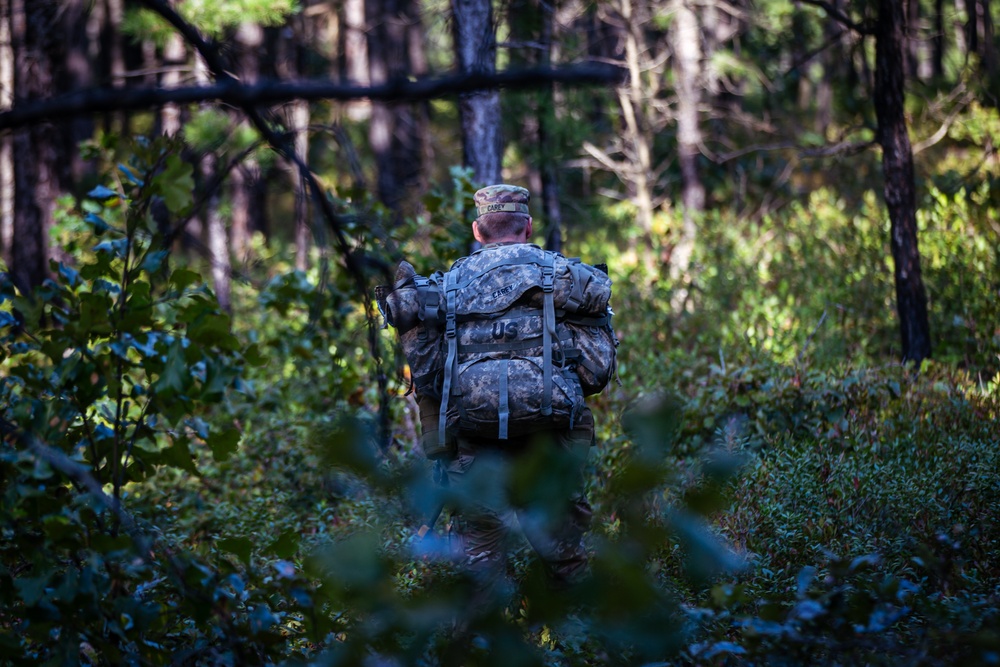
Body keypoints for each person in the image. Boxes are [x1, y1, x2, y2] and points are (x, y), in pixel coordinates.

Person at [436, 184, 601, 622]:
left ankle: (481, 647)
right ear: (528, 226)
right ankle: (580, 647)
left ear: (477, 230)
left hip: (474, 444)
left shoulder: (449, 282)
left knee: (479, 569)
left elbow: (431, 369)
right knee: (566, 562)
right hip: (548, 439)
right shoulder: (558, 272)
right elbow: (596, 335)